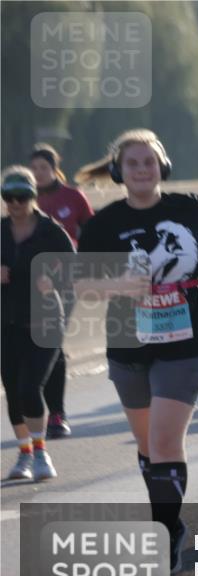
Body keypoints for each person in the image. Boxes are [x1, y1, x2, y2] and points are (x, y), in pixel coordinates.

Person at [74, 129, 198, 573]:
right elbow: (82, 285)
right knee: (147, 445)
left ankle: (163, 535)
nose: (142, 170)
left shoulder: (189, 207)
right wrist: (118, 285)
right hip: (128, 340)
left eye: (149, 162)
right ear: (118, 171)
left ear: (163, 166)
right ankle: (171, 520)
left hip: (187, 338)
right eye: (133, 163)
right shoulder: (103, 224)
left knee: (165, 440)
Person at [2, 167, 74, 481]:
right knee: (13, 393)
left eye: (22, 196)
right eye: (8, 197)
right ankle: (24, 454)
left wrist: (54, 280)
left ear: (33, 196)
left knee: (30, 388)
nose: (15, 203)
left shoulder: (51, 231)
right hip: (7, 324)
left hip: (45, 322)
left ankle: (41, 453)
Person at [29, 143, 95, 439]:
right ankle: (35, 407)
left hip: (65, 281)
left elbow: (92, 233)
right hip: (29, 282)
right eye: (34, 168)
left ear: (55, 169)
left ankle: (57, 413)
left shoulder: (73, 197)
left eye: (43, 168)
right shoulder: (23, 199)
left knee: (53, 338)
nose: (38, 173)